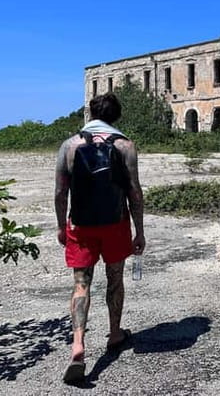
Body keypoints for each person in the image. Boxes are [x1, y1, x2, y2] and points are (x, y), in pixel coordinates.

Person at [54, 93, 146, 385]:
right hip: (115, 224)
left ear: (89, 113)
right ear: (116, 116)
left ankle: (78, 344)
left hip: (80, 226)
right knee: (115, 277)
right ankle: (115, 333)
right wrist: (139, 230)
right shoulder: (125, 146)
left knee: (81, 283)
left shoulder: (70, 146)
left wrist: (60, 226)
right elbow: (135, 193)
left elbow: (60, 193)